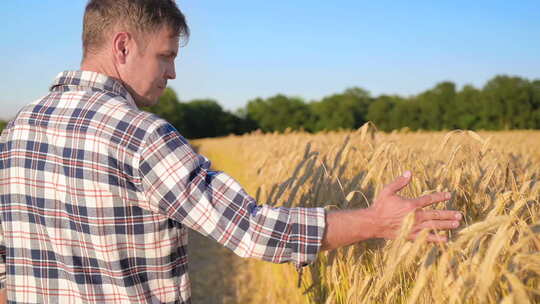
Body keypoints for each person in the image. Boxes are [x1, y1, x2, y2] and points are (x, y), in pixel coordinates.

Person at [0, 0, 463, 303]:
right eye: (166, 56)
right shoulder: (141, 136)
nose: (173, 73)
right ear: (123, 46)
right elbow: (250, 229)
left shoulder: (15, 130)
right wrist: (376, 221)